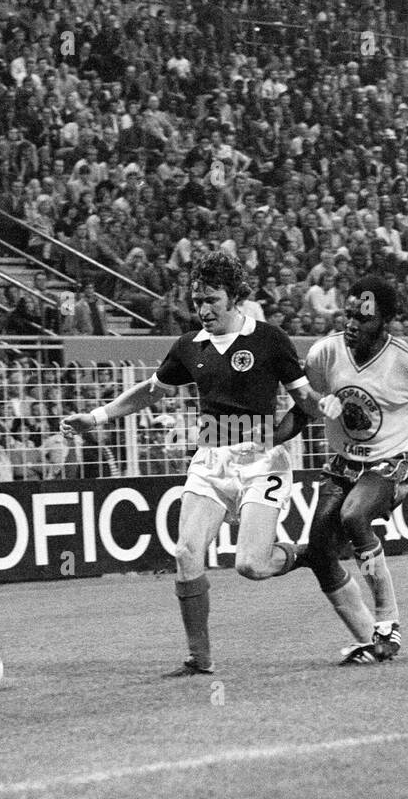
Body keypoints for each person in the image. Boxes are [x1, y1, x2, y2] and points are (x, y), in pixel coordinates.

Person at [60, 251, 334, 677]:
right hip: (210, 457)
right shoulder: (189, 346)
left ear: (234, 297)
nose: (203, 309)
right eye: (197, 300)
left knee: (251, 566)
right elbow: (151, 392)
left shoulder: (269, 340)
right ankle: (199, 659)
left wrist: (318, 411)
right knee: (187, 552)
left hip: (261, 461)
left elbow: (304, 403)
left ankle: (310, 555)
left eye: (212, 299)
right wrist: (96, 417)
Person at [276, 276, 408, 664]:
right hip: (341, 466)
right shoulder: (325, 353)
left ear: (384, 321)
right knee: (322, 554)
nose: (352, 323)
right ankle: (367, 637)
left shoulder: (407, 363)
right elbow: (304, 410)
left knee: (355, 516)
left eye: (363, 318)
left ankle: (388, 626)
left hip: (392, 464)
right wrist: (266, 441)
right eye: (349, 314)